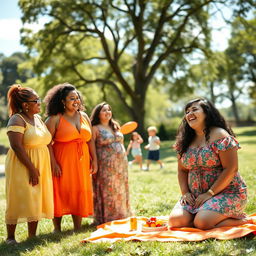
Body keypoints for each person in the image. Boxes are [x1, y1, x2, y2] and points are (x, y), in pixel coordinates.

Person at [169, 98, 252, 230]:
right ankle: (201, 218)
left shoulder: (220, 135)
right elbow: (182, 170)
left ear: (207, 112)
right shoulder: (184, 140)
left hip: (227, 192)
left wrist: (210, 193)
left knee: (202, 223)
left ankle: (240, 221)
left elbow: (231, 169)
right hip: (196, 197)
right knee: (175, 222)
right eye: (187, 111)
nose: (189, 113)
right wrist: (185, 192)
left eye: (194, 109)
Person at [44, 83, 97, 232]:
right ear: (62, 101)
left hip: (83, 160)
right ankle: (57, 228)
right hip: (62, 160)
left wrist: (95, 160)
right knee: (61, 190)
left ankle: (77, 227)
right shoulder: (55, 118)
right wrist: (53, 163)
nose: (76, 101)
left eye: (77, 98)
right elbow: (47, 143)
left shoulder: (84, 116)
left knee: (79, 189)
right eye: (72, 98)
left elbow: (90, 140)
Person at [5, 84, 53, 244]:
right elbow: (16, 146)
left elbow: (46, 141)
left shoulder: (38, 119)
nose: (40, 102)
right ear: (25, 105)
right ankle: (11, 237)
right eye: (36, 100)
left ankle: (32, 235)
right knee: (19, 196)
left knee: (36, 197)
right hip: (23, 163)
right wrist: (32, 168)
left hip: (41, 162)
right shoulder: (17, 119)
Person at [90, 102, 131, 224]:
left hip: (121, 164)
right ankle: (108, 217)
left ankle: (122, 214)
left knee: (120, 188)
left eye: (109, 110)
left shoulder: (115, 126)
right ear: (98, 113)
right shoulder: (95, 128)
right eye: (104, 110)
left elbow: (121, 144)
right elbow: (91, 146)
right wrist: (94, 163)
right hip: (105, 165)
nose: (107, 112)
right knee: (108, 189)